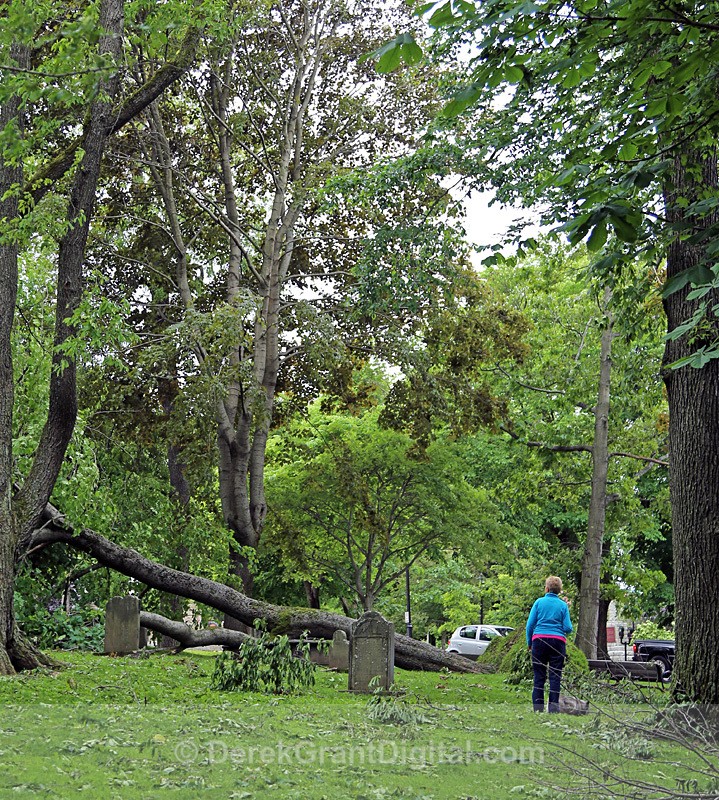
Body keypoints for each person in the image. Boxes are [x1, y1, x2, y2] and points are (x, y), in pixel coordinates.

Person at [526, 575, 573, 713]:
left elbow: (530, 625)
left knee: (539, 675)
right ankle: (553, 709)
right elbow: (568, 628)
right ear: (559, 591)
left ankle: (538, 708)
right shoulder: (563, 606)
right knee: (555, 676)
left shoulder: (539, 603)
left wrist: (530, 642)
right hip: (558, 642)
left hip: (539, 641)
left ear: (546, 589)